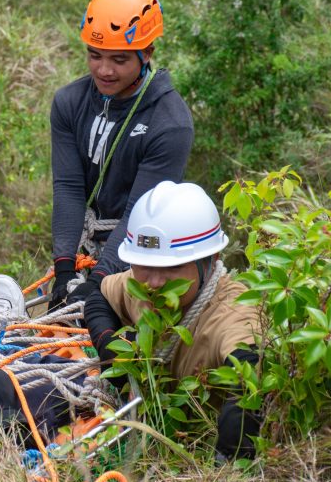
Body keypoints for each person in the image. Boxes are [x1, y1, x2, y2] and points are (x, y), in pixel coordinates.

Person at [84, 181, 261, 459]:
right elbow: (98, 296)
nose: (154, 282)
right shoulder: (139, 285)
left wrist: (227, 459)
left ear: (210, 260)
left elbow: (250, 373)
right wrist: (111, 346)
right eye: (144, 266)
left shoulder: (233, 312)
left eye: (171, 267)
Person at [49, 0, 194, 310]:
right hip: (84, 251)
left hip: (140, 256)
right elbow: (69, 187)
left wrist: (101, 281)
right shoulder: (70, 102)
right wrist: (63, 269)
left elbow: (139, 212)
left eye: (119, 59)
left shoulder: (169, 123)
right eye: (94, 55)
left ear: (147, 54)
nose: (103, 70)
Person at [0, 276, 105, 445]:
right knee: (27, 368)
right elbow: (78, 377)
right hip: (30, 386)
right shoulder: (44, 400)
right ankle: (7, 341)